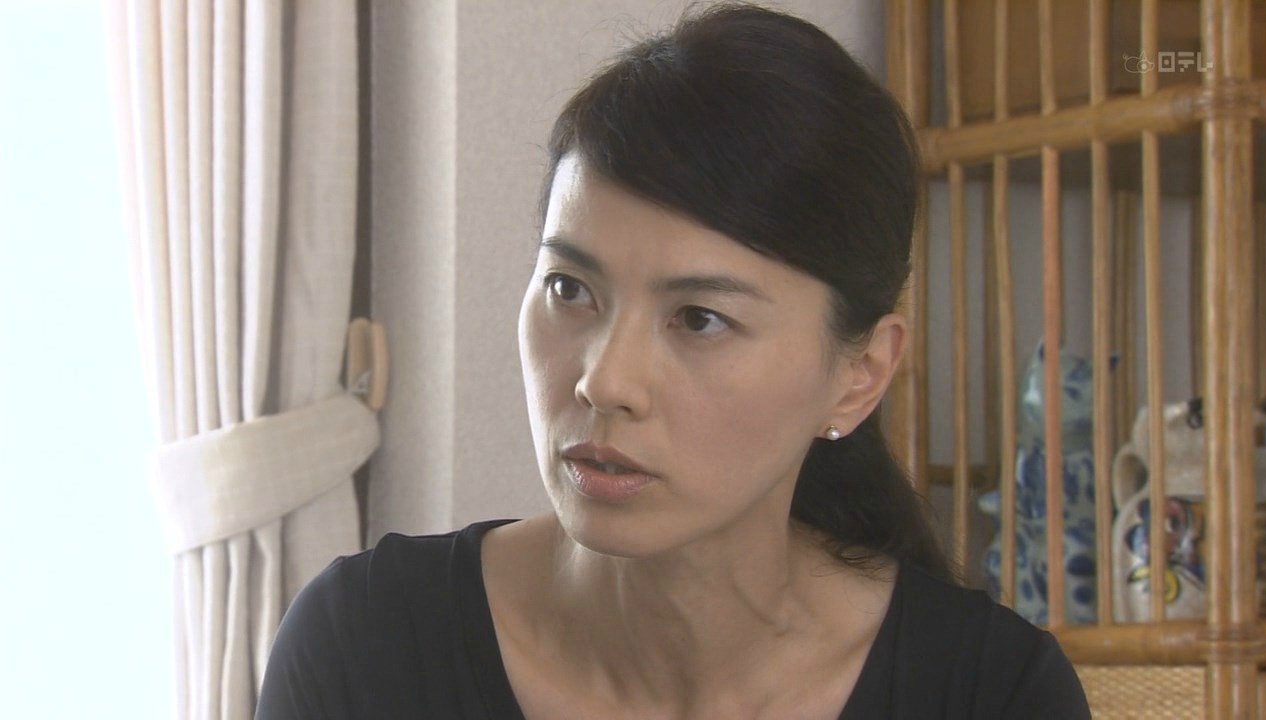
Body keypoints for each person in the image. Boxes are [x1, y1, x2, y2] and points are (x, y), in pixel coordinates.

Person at [256, 3, 1091, 718]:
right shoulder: (366, 648)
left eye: (699, 319)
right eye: (570, 289)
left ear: (859, 375)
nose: (604, 381)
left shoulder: (989, 694)